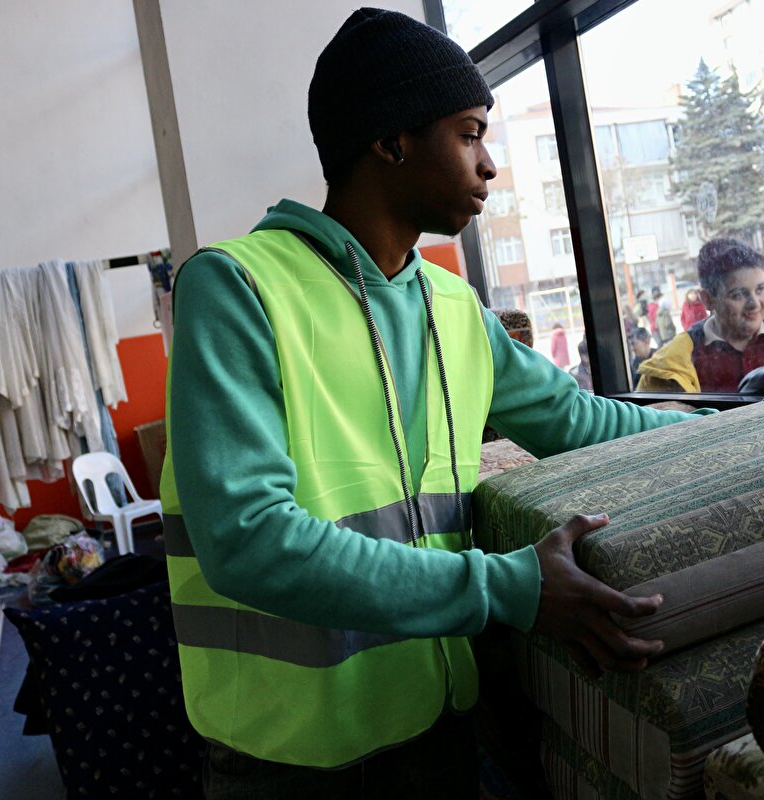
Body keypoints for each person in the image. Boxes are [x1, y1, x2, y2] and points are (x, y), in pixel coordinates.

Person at [161, 10, 714, 797]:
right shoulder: (238, 287)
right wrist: (507, 588)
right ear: (390, 140)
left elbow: (581, 423)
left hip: (439, 724)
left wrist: (737, 425)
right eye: (469, 134)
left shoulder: (451, 306)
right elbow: (248, 539)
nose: (489, 165)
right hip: (292, 757)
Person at [636, 237, 764, 393]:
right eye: (738, 295)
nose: (755, 304)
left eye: (760, 289)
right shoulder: (667, 371)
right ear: (707, 299)